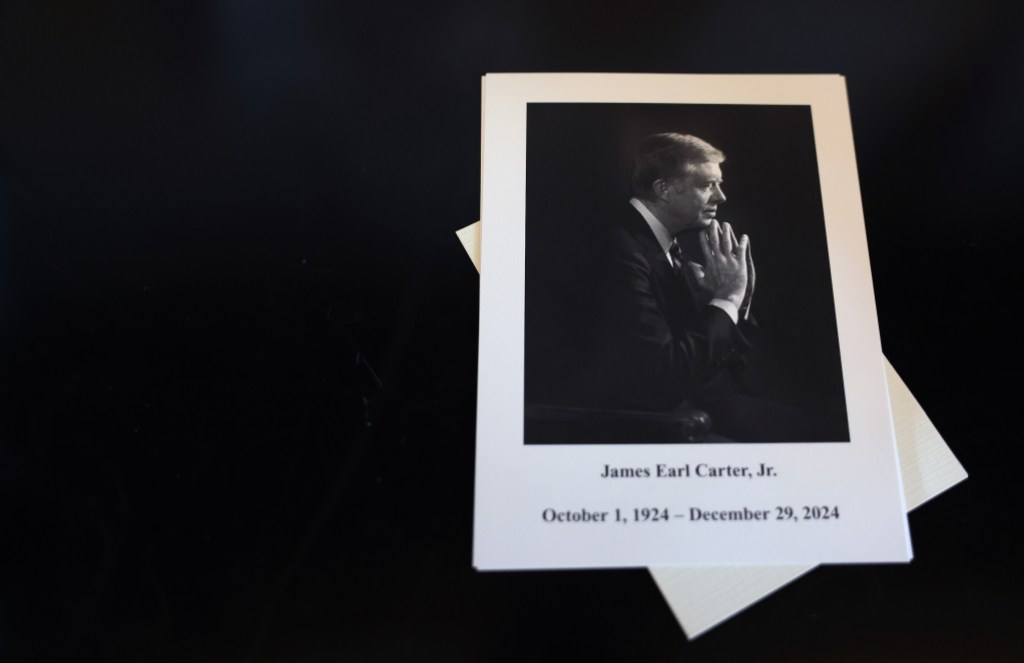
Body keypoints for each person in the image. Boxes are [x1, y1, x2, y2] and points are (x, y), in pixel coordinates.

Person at [595, 132, 835, 441]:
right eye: (708, 185)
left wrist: (731, 302)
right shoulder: (621, 249)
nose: (721, 197)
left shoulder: (659, 242)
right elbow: (665, 372)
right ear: (664, 189)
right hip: (666, 419)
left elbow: (718, 359)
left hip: (707, 402)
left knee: (820, 426)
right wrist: (727, 298)